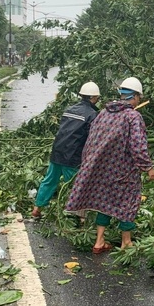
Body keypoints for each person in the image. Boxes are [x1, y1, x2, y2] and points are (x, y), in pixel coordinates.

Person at [65, 77, 154, 252]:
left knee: (104, 202)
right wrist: (148, 167)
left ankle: (99, 241)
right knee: (128, 202)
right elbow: (137, 146)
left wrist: (88, 164)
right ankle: (126, 241)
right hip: (123, 170)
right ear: (135, 96)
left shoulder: (103, 113)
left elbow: (91, 140)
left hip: (101, 169)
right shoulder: (133, 116)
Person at [31, 82, 101, 219]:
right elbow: (91, 138)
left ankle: (37, 208)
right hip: (73, 156)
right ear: (93, 98)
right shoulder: (93, 114)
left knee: (50, 180)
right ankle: (81, 217)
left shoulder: (69, 109)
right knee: (77, 185)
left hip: (57, 151)